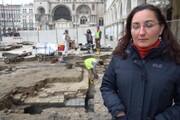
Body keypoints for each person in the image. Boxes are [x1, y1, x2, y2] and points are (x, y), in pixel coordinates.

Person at [100, 4, 180, 120]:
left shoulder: (174, 61)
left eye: (149, 25)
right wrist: (118, 112)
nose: (141, 32)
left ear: (161, 28)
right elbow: (107, 86)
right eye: (136, 26)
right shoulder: (119, 57)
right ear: (130, 30)